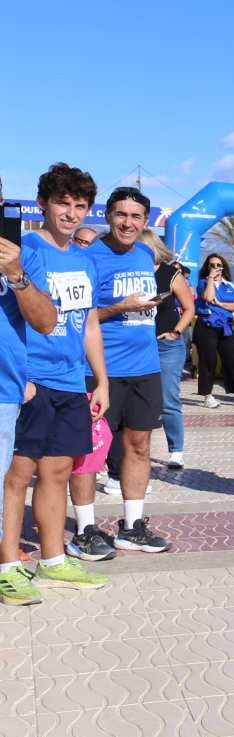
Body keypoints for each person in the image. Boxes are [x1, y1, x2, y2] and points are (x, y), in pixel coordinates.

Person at [0, 163, 110, 605]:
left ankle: (52, 559)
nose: (71, 213)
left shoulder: (85, 260)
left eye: (80, 206)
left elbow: (89, 324)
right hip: (31, 379)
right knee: (17, 475)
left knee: (58, 471)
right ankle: (8, 564)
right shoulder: (23, 249)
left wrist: (100, 381)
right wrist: (22, 377)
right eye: (62, 203)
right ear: (43, 204)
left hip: (70, 381)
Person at [66, 187, 172, 560]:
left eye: (136, 216)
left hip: (146, 368)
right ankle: (84, 531)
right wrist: (118, 307)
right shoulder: (88, 258)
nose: (128, 223)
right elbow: (81, 316)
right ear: (108, 215)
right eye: (121, 215)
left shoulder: (144, 254)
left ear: (145, 221)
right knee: (89, 452)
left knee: (139, 446)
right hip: (100, 372)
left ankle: (132, 527)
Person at [145, 229, 194, 470]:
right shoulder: (131, 272)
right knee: (138, 400)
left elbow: (189, 308)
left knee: (167, 398)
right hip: (137, 344)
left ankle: (176, 450)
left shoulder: (170, 274)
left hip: (166, 345)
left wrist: (176, 331)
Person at [194, 253, 234, 409]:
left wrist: (220, 304)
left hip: (225, 326)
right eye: (212, 265)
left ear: (223, 267)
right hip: (207, 325)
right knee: (208, 361)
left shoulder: (229, 285)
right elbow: (208, 298)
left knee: (233, 360)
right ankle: (207, 395)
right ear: (207, 268)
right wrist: (210, 279)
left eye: (218, 265)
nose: (216, 268)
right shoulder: (202, 283)